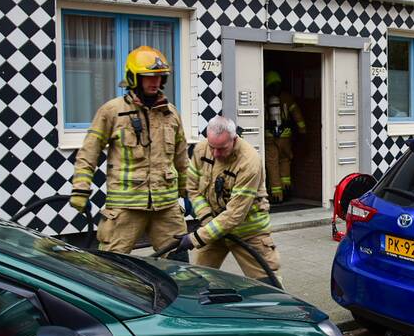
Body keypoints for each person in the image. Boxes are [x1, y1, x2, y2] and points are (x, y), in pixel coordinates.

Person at [70, 46, 188, 254]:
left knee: (178, 263)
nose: (155, 82)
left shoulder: (171, 114)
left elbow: (181, 158)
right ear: (134, 78)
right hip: (125, 207)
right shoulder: (112, 111)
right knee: (111, 265)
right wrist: (81, 189)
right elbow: (89, 153)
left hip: (166, 207)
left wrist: (188, 191)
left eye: (159, 77)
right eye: (148, 77)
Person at [179, 116, 282, 284]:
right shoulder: (201, 149)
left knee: (268, 286)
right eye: (212, 147)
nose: (215, 153)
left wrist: (196, 238)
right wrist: (207, 218)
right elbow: (193, 188)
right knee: (198, 280)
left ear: (234, 140)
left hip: (248, 232)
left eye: (221, 149)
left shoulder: (249, 161)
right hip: (213, 228)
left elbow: (235, 214)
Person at [264, 70, 306, 203]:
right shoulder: (287, 97)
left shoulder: (264, 97)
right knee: (285, 161)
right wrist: (302, 130)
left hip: (270, 137)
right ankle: (286, 189)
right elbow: (297, 115)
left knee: (272, 164)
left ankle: (277, 195)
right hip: (286, 137)